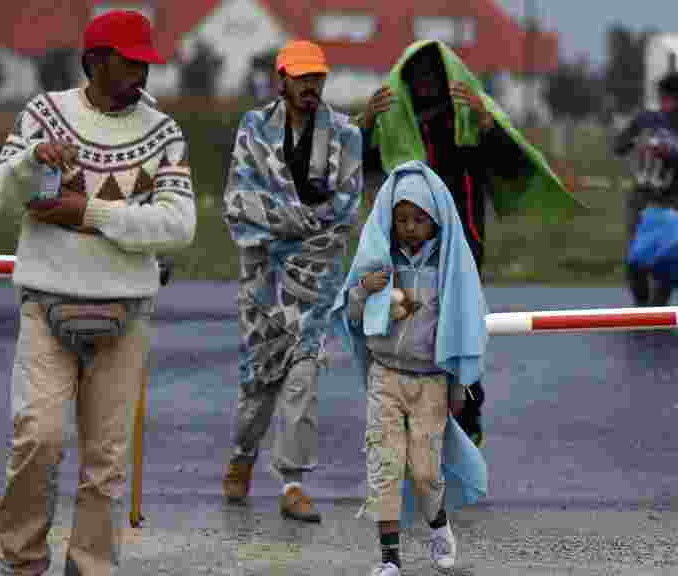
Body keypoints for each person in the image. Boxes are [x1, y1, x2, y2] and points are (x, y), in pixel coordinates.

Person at [0, 10, 195, 575]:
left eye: (146, 63)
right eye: (129, 63)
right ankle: (21, 561)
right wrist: (31, 162)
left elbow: (179, 226)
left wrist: (88, 211)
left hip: (127, 312)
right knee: (37, 439)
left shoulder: (164, 132)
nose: (141, 75)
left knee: (105, 463)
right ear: (94, 60)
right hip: (45, 303)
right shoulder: (43, 114)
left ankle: (90, 566)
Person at [359, 40, 578, 447]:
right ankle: (413, 422)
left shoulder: (469, 119)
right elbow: (358, 167)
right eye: (417, 76)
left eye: (431, 75)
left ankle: (469, 418)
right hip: (407, 251)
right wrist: (367, 124)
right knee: (410, 335)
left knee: (461, 333)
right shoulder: (395, 122)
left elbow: (512, 165)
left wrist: (486, 122)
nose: (424, 83)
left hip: (462, 245)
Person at [221, 40, 362, 523]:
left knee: (304, 376)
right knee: (258, 383)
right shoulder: (254, 129)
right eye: (301, 77)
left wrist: (286, 220)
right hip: (263, 279)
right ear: (281, 78)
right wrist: (301, 219)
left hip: (315, 277)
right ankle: (242, 455)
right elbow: (240, 201)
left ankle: (293, 482)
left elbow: (344, 209)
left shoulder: (345, 134)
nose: (310, 86)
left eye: (317, 78)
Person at [331, 161, 488, 576]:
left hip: (430, 382)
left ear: (436, 219)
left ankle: (438, 525)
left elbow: (463, 326)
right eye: (402, 219)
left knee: (423, 470)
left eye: (419, 219)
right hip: (385, 376)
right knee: (384, 466)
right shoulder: (381, 264)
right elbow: (351, 312)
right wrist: (365, 289)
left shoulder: (449, 270)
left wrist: (458, 386)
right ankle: (389, 559)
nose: (410, 227)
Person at [613, 72, 678, 307]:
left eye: (674, 99)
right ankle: (641, 305)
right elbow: (618, 145)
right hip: (640, 196)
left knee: (664, 257)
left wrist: (668, 154)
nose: (668, 104)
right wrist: (635, 143)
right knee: (635, 256)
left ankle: (659, 307)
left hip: (670, 199)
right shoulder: (645, 120)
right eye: (664, 98)